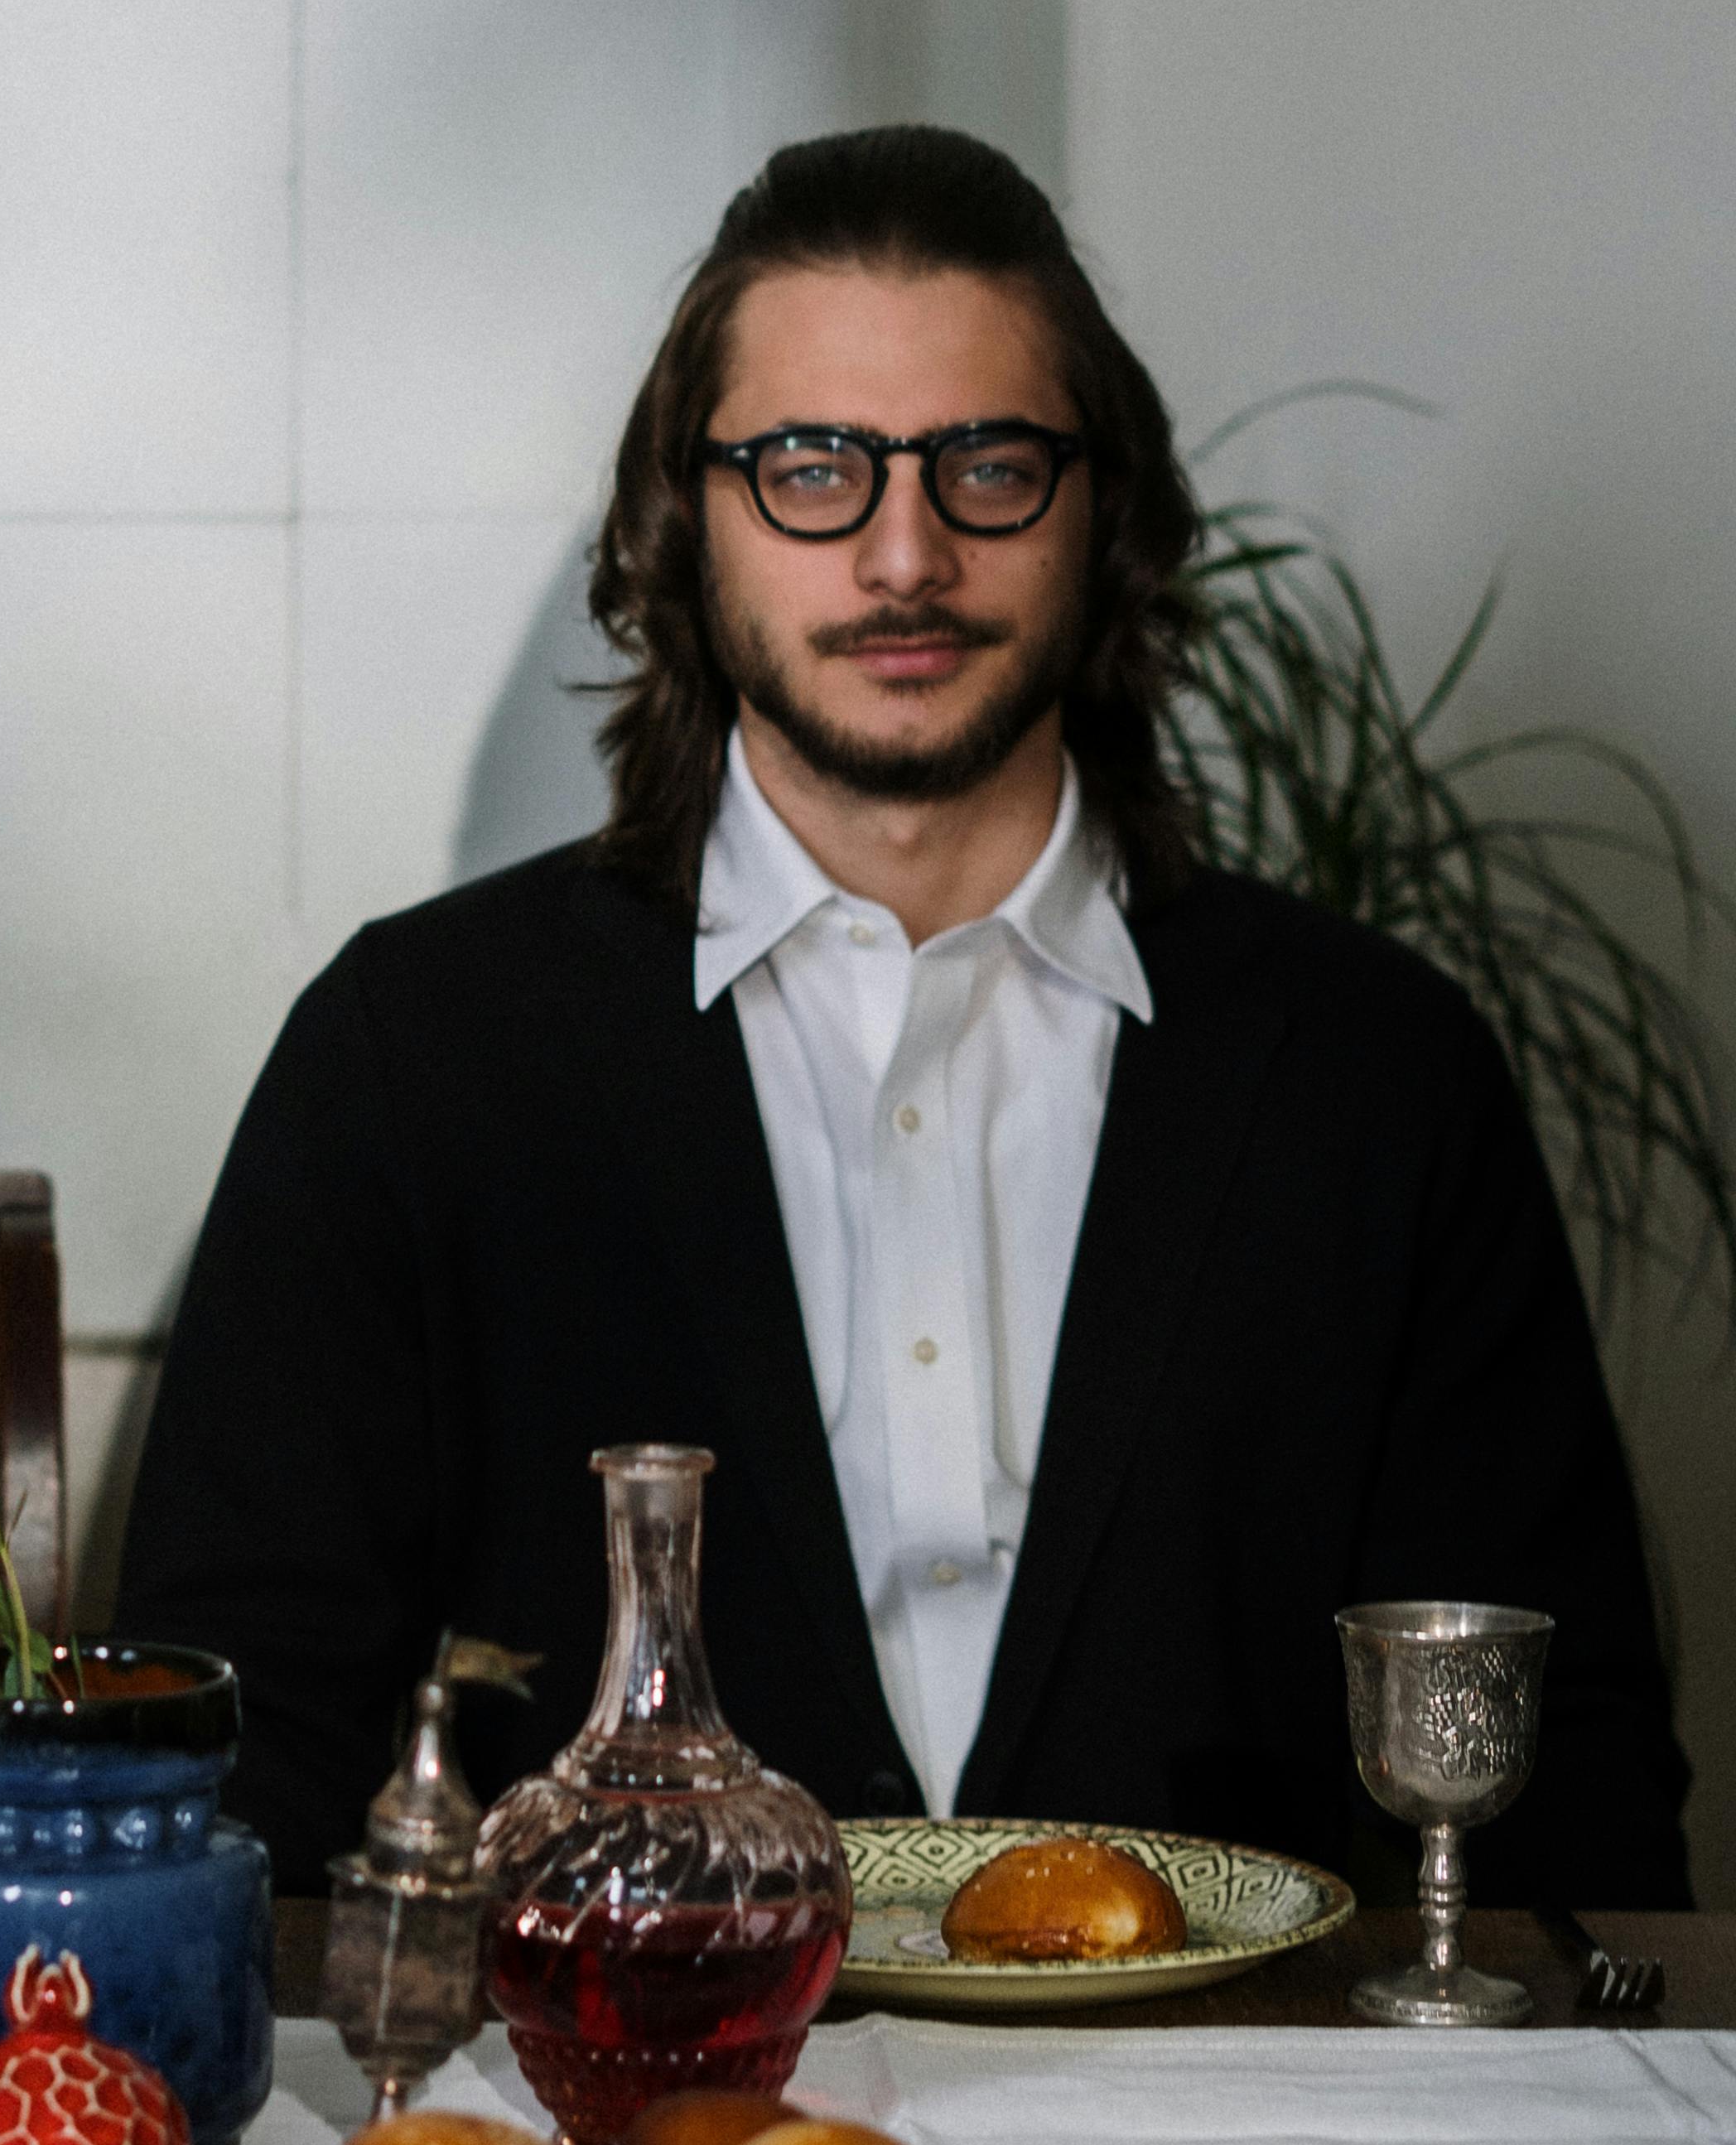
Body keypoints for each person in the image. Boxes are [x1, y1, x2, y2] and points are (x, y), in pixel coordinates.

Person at [118, 127, 1693, 1906]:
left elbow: (1571, 1783)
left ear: (1104, 512)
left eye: (988, 466)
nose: (901, 552)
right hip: (616, 2135)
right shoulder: (405, 1058)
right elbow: (231, 1754)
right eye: (808, 468)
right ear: (679, 517)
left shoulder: (1377, 1077)